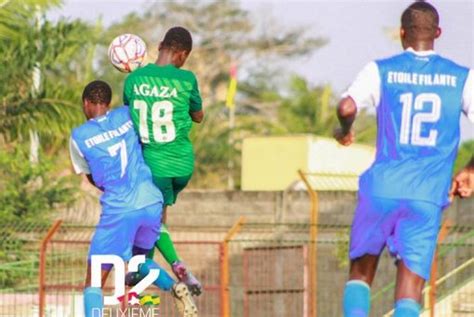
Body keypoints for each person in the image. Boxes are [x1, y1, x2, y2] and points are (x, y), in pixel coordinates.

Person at [333, 2, 474, 316]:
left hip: (381, 190)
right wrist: (470, 170)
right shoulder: (463, 78)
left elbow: (346, 107)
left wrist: (344, 130)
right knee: (409, 294)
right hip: (426, 197)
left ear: (401, 33)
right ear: (438, 33)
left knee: (360, 276)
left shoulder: (380, 69)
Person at [70, 80, 198, 317]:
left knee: (94, 281)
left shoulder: (79, 136)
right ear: (108, 103)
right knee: (139, 265)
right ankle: (175, 286)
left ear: (86, 104)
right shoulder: (127, 115)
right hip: (151, 202)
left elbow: (92, 179)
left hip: (119, 207)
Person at [123, 26, 203, 295]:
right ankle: (161, 272)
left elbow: (128, 117)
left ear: (160, 45)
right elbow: (199, 115)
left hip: (152, 166)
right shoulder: (187, 79)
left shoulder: (133, 80)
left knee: (144, 245)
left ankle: (175, 270)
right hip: (182, 165)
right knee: (157, 222)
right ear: (182, 54)